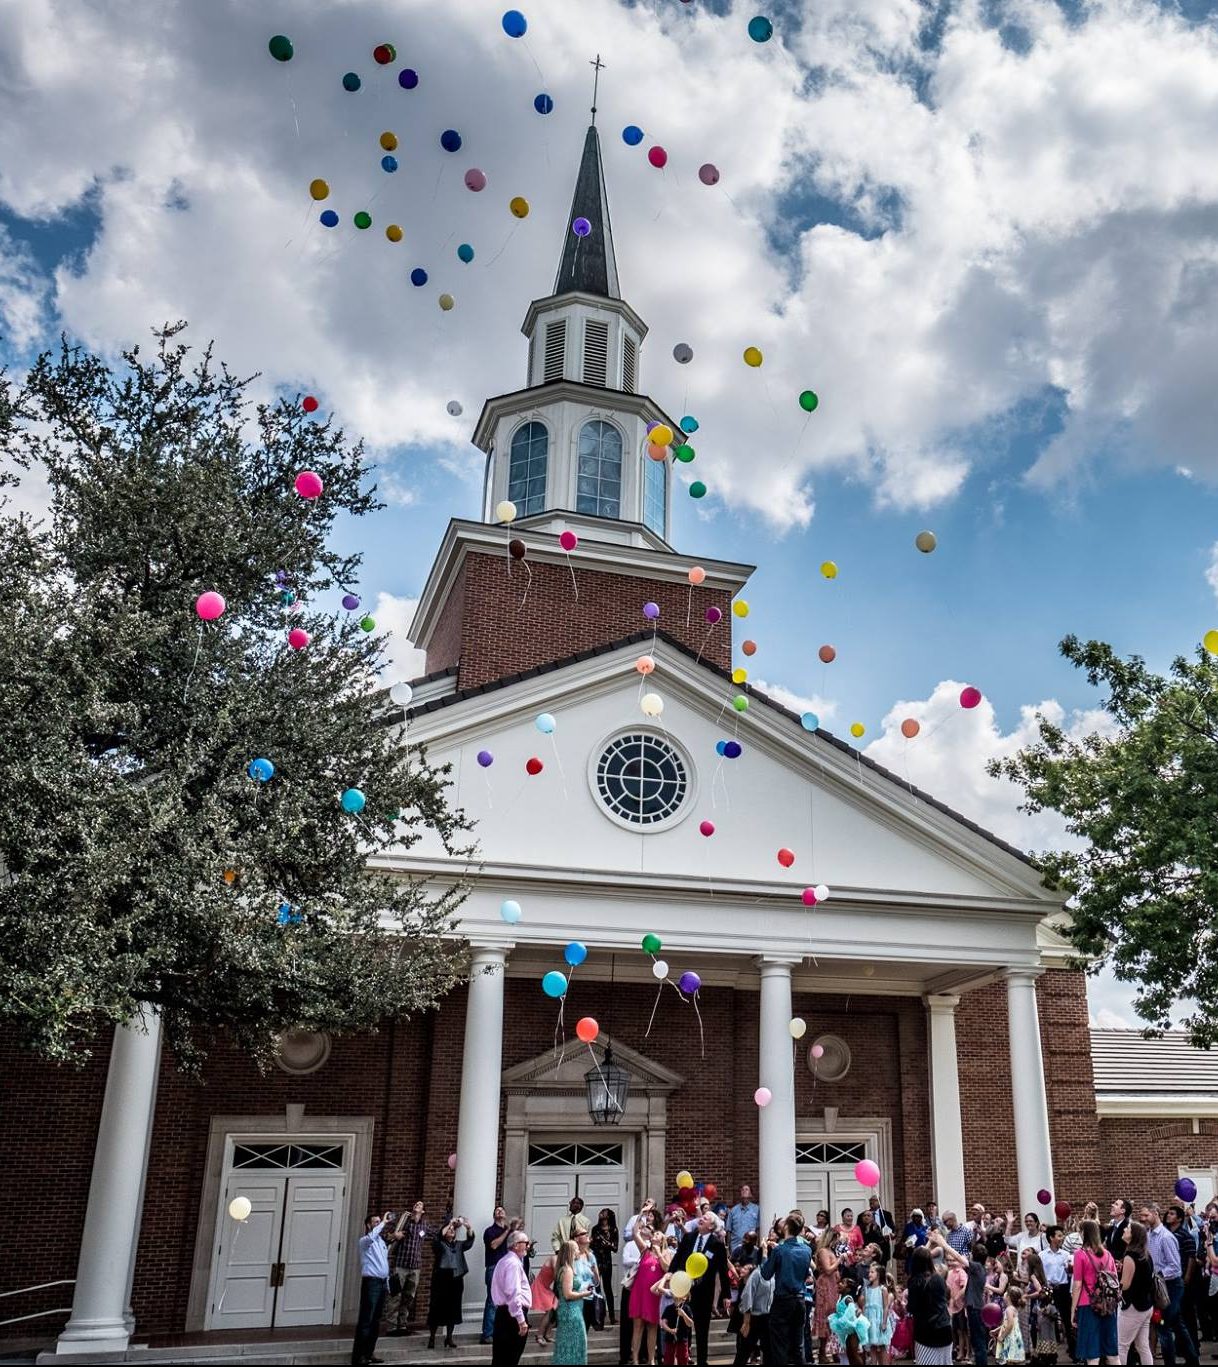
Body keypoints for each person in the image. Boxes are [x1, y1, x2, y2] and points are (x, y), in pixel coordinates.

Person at [670, 1211, 732, 1367]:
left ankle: (702, 1360)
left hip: (704, 1291)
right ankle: (682, 1358)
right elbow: (678, 1257)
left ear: (711, 1226)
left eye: (705, 1218)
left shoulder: (717, 1244)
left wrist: (726, 1294)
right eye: (701, 1217)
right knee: (682, 1323)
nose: (701, 1219)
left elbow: (723, 1271)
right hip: (684, 1288)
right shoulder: (689, 1237)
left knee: (702, 1327)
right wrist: (670, 1273)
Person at [1145, 1202, 1201, 1367]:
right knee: (1177, 1323)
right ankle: (1192, 1359)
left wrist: (1158, 1275)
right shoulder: (1149, 1236)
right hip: (1159, 1285)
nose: (1143, 1219)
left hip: (1172, 1286)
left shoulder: (1166, 1237)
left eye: (1146, 1215)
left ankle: (1170, 1362)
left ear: (1155, 1213)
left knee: (1163, 1325)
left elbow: (1175, 1267)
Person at [760, 1212, 813, 1367]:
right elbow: (804, 1275)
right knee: (798, 1345)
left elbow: (765, 1274)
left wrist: (765, 1253)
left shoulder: (779, 1250)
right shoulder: (807, 1250)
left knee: (780, 1345)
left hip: (783, 1300)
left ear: (788, 1227)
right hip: (800, 1299)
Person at [1070, 1217, 1118, 1367]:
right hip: (1108, 1305)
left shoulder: (1080, 1254)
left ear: (1084, 1233)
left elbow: (1077, 1285)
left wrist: (1073, 1310)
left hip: (1087, 1303)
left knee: (1092, 1355)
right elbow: (1114, 1279)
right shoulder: (1108, 1254)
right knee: (1112, 1354)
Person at [352, 1211, 396, 1367]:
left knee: (376, 1321)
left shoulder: (381, 1242)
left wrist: (388, 1284)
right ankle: (359, 1356)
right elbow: (372, 1236)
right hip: (371, 1283)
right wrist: (383, 1222)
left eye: (380, 1221)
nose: (379, 1224)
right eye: (375, 1222)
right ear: (368, 1225)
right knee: (366, 1320)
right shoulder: (365, 1241)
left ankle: (369, 1353)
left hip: (382, 1282)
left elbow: (384, 1264)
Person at [427, 1214, 475, 1350]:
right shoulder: (439, 1244)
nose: (451, 1231)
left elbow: (469, 1242)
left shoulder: (458, 1245)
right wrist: (450, 1224)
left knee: (453, 1308)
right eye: (449, 1230)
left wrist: (468, 1227)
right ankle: (432, 1337)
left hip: (456, 1278)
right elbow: (437, 1237)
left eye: (453, 1231)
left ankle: (449, 1337)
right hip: (442, 1278)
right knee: (437, 1308)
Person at [906, 1240, 954, 1367]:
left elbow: (912, 1307)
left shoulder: (915, 1281)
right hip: (944, 1328)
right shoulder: (938, 1278)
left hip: (926, 1332)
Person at [490, 1227, 532, 1367]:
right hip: (511, 1316)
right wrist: (520, 1320)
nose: (528, 1245)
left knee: (501, 1358)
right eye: (525, 1242)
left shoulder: (504, 1261)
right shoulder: (513, 1263)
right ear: (515, 1245)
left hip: (504, 1314)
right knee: (509, 1358)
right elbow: (513, 1292)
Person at [385, 1201, 428, 1336]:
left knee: (408, 1297)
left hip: (415, 1267)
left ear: (423, 1211)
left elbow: (437, 1235)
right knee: (395, 1295)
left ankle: (402, 1324)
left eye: (420, 1205)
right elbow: (387, 1236)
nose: (417, 1205)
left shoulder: (424, 1225)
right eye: (416, 1204)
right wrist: (394, 1235)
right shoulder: (403, 1221)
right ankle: (392, 1326)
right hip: (400, 1265)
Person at [1117, 1219, 1154, 1367]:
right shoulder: (1146, 1255)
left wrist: (1114, 1283)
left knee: (1122, 1345)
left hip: (1133, 1306)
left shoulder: (1130, 1256)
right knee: (1142, 1346)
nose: (1124, 1230)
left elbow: (1125, 1285)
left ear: (1133, 1235)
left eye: (1127, 1229)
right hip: (1146, 1305)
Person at [629, 1227, 667, 1367]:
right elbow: (635, 1233)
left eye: (658, 1234)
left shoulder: (666, 1253)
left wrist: (659, 1253)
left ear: (662, 1240)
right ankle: (635, 1359)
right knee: (637, 1327)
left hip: (655, 1295)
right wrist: (642, 1212)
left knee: (652, 1327)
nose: (654, 1234)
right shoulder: (645, 1250)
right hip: (640, 1293)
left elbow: (667, 1269)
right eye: (654, 1233)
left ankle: (651, 1359)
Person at [553, 1237, 592, 1365]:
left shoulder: (563, 1269)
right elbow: (568, 1294)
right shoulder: (567, 1270)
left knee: (566, 1343)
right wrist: (584, 1294)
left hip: (568, 1310)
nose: (578, 1251)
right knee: (576, 1343)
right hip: (571, 1311)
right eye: (575, 1249)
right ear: (570, 1252)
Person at [733, 1249, 775, 1366]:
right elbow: (747, 1296)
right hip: (753, 1318)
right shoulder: (757, 1274)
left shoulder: (773, 1274)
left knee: (768, 1350)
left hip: (767, 1318)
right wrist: (746, 1322)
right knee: (744, 1350)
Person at [1040, 1225, 1074, 1359]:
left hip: (1063, 1289)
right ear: (1051, 1238)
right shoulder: (1042, 1255)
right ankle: (1048, 1354)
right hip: (1048, 1289)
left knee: (1067, 1320)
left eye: (1062, 1235)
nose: (1062, 1238)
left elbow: (1070, 1273)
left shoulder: (1066, 1255)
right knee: (1046, 1322)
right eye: (1059, 1235)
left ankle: (1073, 1351)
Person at [480, 1205, 512, 1345]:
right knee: (493, 1301)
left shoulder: (510, 1232)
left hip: (508, 1268)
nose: (499, 1212)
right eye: (497, 1211)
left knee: (507, 1301)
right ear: (494, 1216)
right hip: (494, 1267)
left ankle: (502, 1331)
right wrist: (507, 1231)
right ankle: (487, 1334)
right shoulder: (490, 1231)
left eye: (502, 1210)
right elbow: (494, 1245)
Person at [813, 1233, 843, 1363]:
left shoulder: (831, 1250)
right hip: (825, 1285)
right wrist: (839, 1260)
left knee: (835, 1316)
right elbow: (828, 1269)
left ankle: (835, 1350)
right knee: (825, 1316)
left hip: (833, 1285)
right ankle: (822, 1353)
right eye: (836, 1239)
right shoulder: (823, 1251)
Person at [963, 1242, 991, 1367]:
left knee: (978, 1340)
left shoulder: (977, 1267)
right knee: (976, 1339)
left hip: (975, 1308)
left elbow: (959, 1259)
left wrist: (943, 1244)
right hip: (974, 1307)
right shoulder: (979, 1268)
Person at [591, 1208, 619, 1325]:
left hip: (606, 1260)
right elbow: (591, 1245)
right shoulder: (595, 1229)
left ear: (608, 1217)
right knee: (596, 1288)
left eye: (604, 1213)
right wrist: (596, 1243)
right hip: (597, 1259)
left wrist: (607, 1244)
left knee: (608, 1288)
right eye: (601, 1212)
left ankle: (612, 1316)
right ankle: (598, 1316)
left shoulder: (613, 1230)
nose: (601, 1214)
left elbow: (615, 1247)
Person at [863, 1260, 894, 1365]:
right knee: (872, 1345)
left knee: (881, 1345)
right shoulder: (867, 1289)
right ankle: (873, 1362)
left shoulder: (883, 1289)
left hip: (879, 1320)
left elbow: (885, 1307)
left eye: (872, 1272)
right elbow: (865, 1306)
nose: (869, 1274)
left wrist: (884, 1322)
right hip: (870, 1320)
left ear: (878, 1274)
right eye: (869, 1272)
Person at [728, 1184, 761, 1253]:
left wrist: (757, 1244)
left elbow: (758, 1229)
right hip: (735, 1246)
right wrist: (729, 1247)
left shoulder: (756, 1209)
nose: (744, 1191)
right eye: (742, 1190)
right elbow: (729, 1230)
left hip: (751, 1247)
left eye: (746, 1189)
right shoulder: (733, 1210)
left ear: (751, 1194)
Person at [996, 1288, 1026, 1364]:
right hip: (1014, 1337)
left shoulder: (1009, 1309)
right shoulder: (1013, 1309)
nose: (1004, 1294)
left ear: (1008, 1297)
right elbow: (1006, 1324)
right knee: (1011, 1360)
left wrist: (1002, 1336)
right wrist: (996, 1330)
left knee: (1009, 1360)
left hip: (1010, 1338)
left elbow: (1010, 1324)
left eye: (1006, 1293)